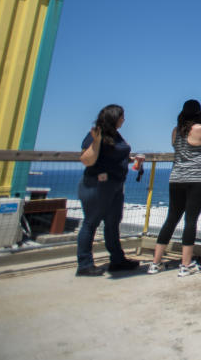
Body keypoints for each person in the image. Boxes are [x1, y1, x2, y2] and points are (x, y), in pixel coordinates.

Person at [149, 100, 201, 277]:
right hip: (197, 180)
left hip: (176, 178)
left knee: (171, 218)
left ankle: (155, 263)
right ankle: (185, 265)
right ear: (199, 113)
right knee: (190, 220)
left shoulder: (176, 131)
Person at [77, 104, 140, 276]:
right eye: (122, 116)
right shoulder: (96, 134)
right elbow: (87, 160)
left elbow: (114, 155)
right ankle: (84, 264)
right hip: (98, 185)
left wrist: (132, 158)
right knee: (91, 223)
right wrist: (96, 141)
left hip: (115, 185)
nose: (124, 119)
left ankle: (117, 260)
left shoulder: (116, 135)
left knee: (112, 223)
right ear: (114, 117)